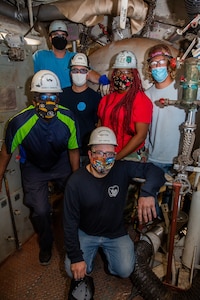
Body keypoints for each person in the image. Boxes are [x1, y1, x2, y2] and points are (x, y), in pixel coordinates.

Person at [63, 126, 165, 299]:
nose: (105, 158)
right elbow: (69, 223)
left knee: (125, 269)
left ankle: (107, 257)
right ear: (90, 154)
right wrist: (75, 257)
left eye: (110, 154)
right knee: (73, 270)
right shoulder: (76, 182)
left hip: (115, 233)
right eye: (99, 153)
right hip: (86, 233)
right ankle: (89, 255)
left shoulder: (121, 168)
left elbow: (155, 171)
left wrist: (147, 193)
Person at [0, 70, 81, 266]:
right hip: (34, 168)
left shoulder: (68, 118)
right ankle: (46, 244)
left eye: (52, 96)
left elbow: (73, 151)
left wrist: (77, 180)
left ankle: (77, 238)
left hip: (60, 164)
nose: (48, 101)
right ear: (34, 99)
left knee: (76, 199)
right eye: (43, 96)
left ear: (58, 97)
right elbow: (5, 154)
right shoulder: (19, 122)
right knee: (40, 211)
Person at [97, 50, 153, 161]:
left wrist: (116, 158)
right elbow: (100, 126)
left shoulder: (141, 100)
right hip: (107, 153)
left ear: (134, 75)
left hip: (130, 157)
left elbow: (140, 136)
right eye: (118, 72)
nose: (122, 76)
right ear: (113, 74)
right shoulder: (106, 99)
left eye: (127, 72)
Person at [143, 44, 186, 174]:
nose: (157, 66)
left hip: (180, 160)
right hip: (154, 158)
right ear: (149, 67)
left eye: (162, 62)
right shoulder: (147, 95)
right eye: (154, 63)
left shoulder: (183, 90)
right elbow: (144, 127)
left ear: (170, 64)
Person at [33, 20, 109, 90]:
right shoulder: (40, 56)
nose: (60, 37)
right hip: (48, 98)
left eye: (63, 35)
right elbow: (28, 76)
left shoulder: (75, 57)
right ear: (50, 38)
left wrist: (102, 79)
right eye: (56, 34)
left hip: (69, 99)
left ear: (66, 38)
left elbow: (88, 73)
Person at [59, 53, 101, 166]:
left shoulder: (95, 97)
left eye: (82, 71)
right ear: (70, 73)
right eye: (75, 70)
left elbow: (98, 125)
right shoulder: (61, 95)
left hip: (86, 151)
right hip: (65, 151)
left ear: (88, 73)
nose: (78, 74)